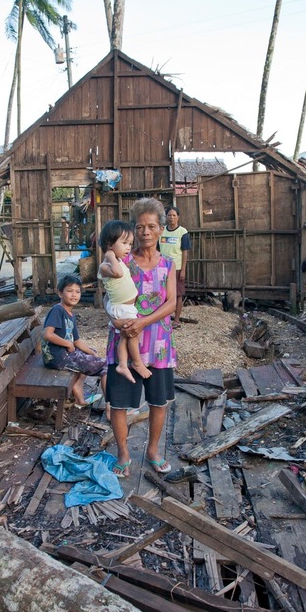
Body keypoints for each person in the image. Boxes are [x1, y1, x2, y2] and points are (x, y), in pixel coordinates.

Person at [107, 197, 182, 480]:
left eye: (151, 226)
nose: (145, 232)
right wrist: (117, 320)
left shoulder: (168, 264)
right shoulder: (122, 260)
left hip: (158, 344)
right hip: (124, 340)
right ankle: (123, 452)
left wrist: (143, 322)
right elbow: (107, 294)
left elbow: (171, 302)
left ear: (162, 229)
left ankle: (152, 450)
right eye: (139, 227)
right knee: (119, 403)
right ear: (133, 230)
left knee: (158, 401)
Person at [98, 219, 153, 384]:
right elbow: (118, 273)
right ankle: (136, 362)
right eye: (124, 243)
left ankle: (122, 364)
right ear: (109, 245)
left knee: (125, 336)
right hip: (120, 308)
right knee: (133, 334)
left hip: (125, 308)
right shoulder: (106, 265)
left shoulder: (118, 261)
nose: (128, 247)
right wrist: (109, 255)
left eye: (130, 243)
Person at [42, 274, 106, 407]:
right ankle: (111, 408)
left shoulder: (71, 315)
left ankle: (78, 386)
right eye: (70, 291)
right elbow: (47, 334)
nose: (74, 295)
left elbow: (76, 341)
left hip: (63, 355)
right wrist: (67, 343)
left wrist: (92, 353)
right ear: (60, 293)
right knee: (107, 366)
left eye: (77, 292)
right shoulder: (57, 310)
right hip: (58, 357)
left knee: (91, 352)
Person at [159, 205, 191, 321]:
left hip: (176, 268)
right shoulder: (161, 231)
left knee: (178, 294)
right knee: (162, 293)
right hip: (162, 268)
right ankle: (163, 318)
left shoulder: (182, 232)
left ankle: (176, 320)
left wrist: (183, 270)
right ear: (166, 217)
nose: (171, 217)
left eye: (174, 215)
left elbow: (185, 252)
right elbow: (157, 249)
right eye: (169, 215)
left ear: (178, 217)